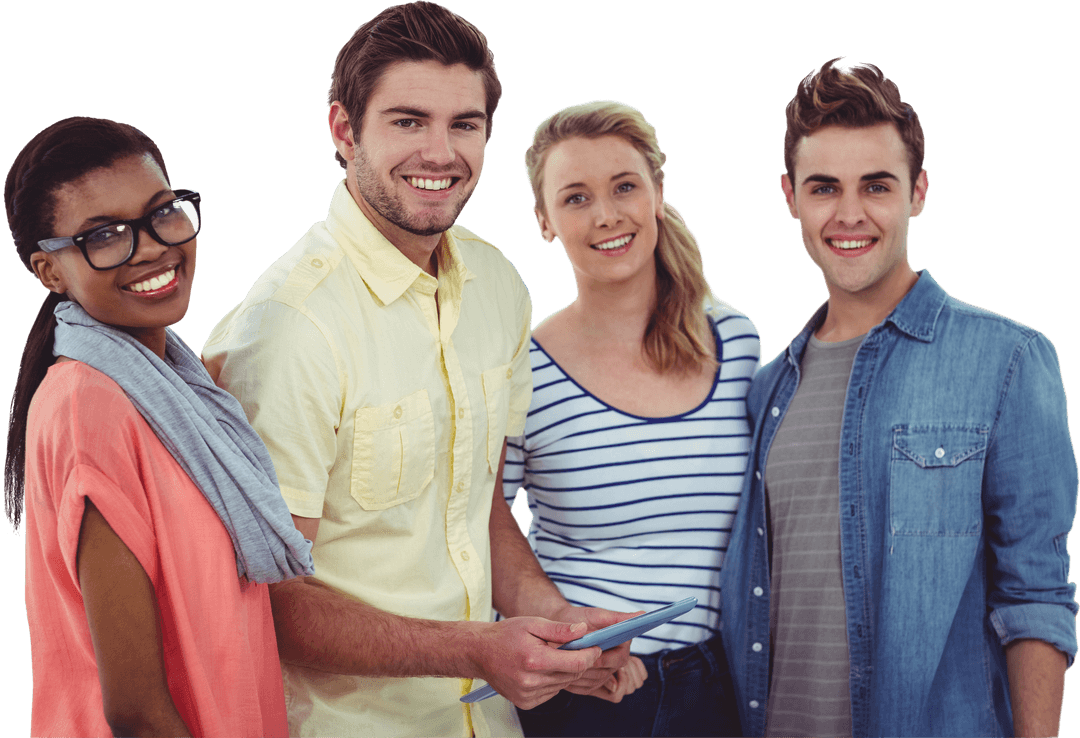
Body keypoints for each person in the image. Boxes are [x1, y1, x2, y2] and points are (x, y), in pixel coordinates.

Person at [201, 4, 634, 736]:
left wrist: (559, 623)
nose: (441, 153)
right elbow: (265, 596)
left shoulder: (500, 288)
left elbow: (478, 506)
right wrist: (473, 648)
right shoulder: (290, 328)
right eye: (408, 121)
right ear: (344, 130)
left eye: (463, 124)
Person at [719, 57, 1079, 738]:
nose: (849, 215)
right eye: (824, 188)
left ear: (917, 193)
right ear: (790, 197)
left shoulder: (1006, 360)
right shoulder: (765, 391)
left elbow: (1035, 593)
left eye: (876, 186)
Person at [5, 117, 313, 737]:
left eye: (162, 213)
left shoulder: (174, 386)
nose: (150, 247)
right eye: (103, 236)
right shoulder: (89, 405)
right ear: (50, 271)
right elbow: (138, 714)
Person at [502, 99, 757, 737]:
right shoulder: (520, 370)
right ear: (544, 220)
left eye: (623, 187)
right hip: (588, 690)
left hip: (724, 683)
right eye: (576, 198)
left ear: (658, 192)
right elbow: (479, 526)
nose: (607, 215)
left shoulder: (735, 342)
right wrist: (554, 630)